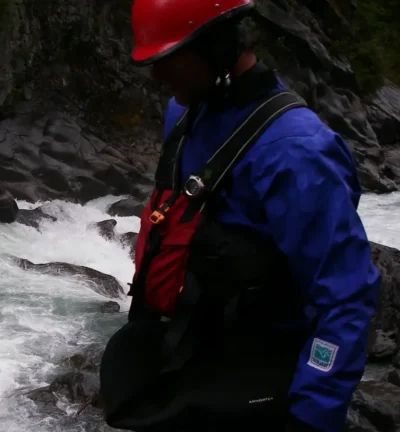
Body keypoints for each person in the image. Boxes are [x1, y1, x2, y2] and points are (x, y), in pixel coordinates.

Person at [98, 1, 381, 432]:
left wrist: (312, 414)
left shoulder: (297, 152)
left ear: (216, 46)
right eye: (152, 62)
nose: (156, 78)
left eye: (168, 60)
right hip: (192, 354)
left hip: (258, 373)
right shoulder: (184, 111)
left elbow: (345, 296)